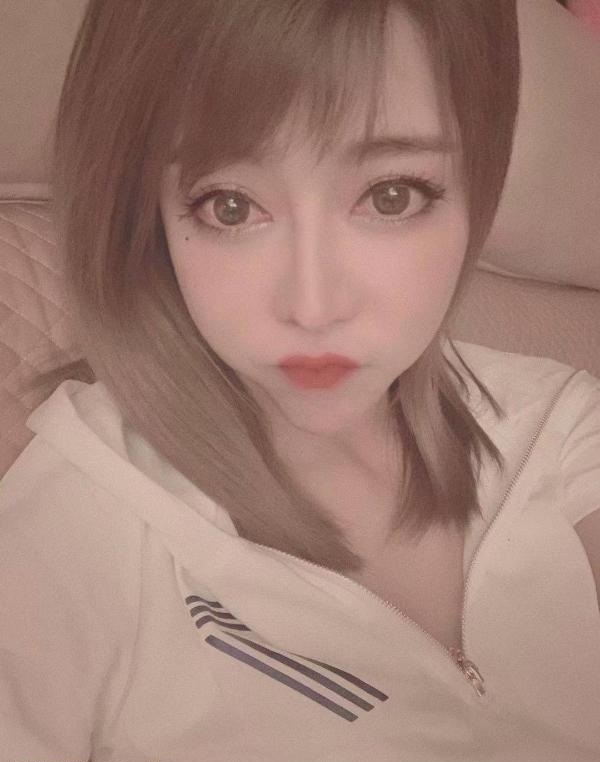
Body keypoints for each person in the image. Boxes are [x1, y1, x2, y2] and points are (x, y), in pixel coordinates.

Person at [1, 1, 599, 760]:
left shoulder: (557, 422)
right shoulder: (80, 519)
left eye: (392, 195)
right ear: (147, 216)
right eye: (230, 207)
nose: (313, 308)